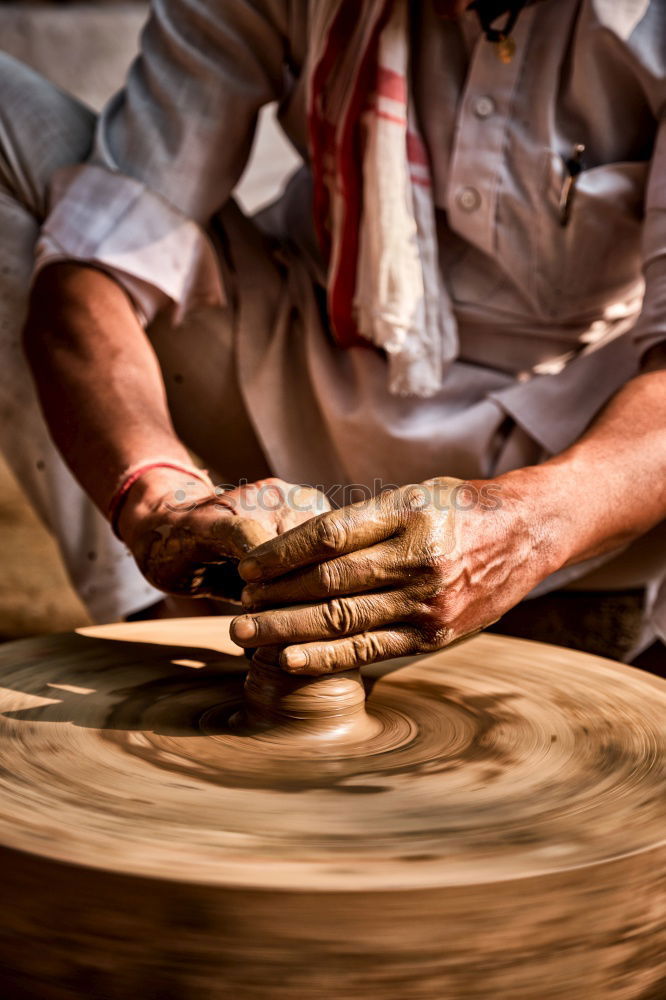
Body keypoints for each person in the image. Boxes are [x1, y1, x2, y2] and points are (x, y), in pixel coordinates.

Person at [1, 0, 664, 670]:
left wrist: (527, 526)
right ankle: (163, 633)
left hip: (584, 469)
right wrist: (158, 500)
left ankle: (634, 657)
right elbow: (92, 273)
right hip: (299, 389)